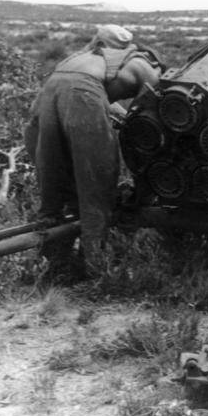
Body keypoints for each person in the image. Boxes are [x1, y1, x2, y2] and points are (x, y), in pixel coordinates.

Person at [24, 24, 162, 276]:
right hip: (83, 95)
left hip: (50, 92)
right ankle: (95, 267)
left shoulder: (81, 57)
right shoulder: (143, 65)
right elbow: (149, 120)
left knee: (54, 183)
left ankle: (49, 263)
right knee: (96, 182)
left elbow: (94, 95)